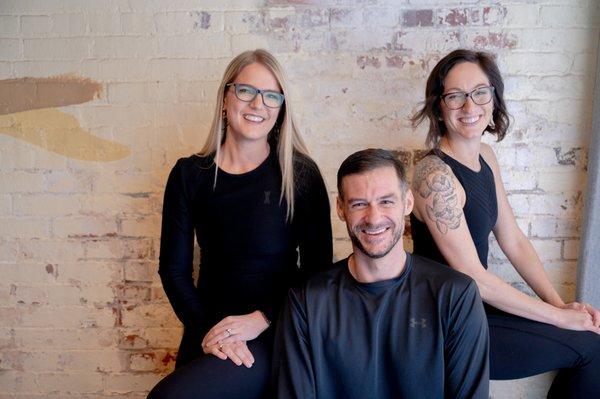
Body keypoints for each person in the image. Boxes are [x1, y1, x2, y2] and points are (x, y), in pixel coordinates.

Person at [410, 49, 600, 397]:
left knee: (589, 339)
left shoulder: (485, 156)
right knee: (592, 349)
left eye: (480, 92)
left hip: (477, 311)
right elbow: (475, 279)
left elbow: (512, 239)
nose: (470, 107)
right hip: (445, 327)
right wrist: (558, 318)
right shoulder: (433, 175)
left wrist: (559, 304)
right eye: (455, 96)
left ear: (493, 97)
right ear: (439, 105)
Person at [148, 49, 333, 399]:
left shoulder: (300, 175)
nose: (257, 105)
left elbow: (318, 274)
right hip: (208, 332)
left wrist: (260, 319)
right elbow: (173, 271)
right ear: (225, 97)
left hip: (274, 330)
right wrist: (210, 333)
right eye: (246, 91)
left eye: (271, 96)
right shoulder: (190, 175)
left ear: (280, 110)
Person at [273, 149, 489, 399]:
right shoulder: (305, 302)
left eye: (386, 201)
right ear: (341, 208)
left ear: (407, 202)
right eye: (359, 204)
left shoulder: (455, 296)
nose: (373, 218)